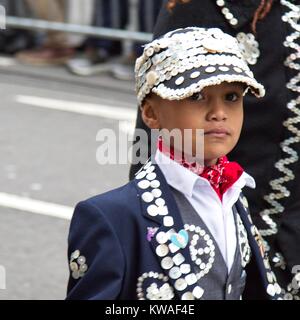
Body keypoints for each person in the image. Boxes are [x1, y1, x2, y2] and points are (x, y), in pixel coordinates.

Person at [66, 27, 282, 300]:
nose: (218, 113)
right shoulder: (112, 216)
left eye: (232, 97)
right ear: (151, 113)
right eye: (196, 96)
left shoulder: (235, 195)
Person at [130, 0, 300, 300]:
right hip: (228, 233)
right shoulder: (204, 7)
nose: (220, 111)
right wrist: (149, 225)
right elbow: (160, 118)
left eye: (234, 97)